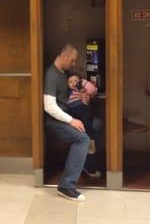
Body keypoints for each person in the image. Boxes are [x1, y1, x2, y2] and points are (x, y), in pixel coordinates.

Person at [43, 44, 105, 202]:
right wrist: (72, 121)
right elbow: (49, 106)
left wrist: (84, 99)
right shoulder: (52, 75)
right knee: (82, 139)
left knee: (97, 124)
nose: (73, 64)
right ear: (64, 57)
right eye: (72, 61)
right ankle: (66, 185)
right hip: (55, 121)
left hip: (66, 115)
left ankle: (83, 162)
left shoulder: (62, 73)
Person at [67, 73, 99, 159]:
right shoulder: (68, 92)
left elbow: (93, 90)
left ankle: (91, 145)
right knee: (78, 131)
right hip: (73, 113)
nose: (73, 83)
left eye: (76, 81)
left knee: (88, 129)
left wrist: (82, 82)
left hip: (83, 110)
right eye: (70, 82)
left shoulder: (83, 89)